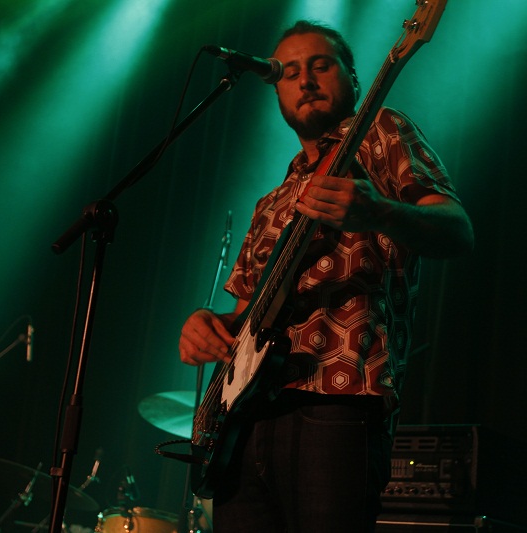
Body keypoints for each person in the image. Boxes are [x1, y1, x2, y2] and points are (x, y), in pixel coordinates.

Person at [178, 20, 473, 532]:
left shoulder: (382, 130)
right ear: (277, 93)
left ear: (354, 79)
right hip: (245, 421)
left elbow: (457, 230)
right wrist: (211, 322)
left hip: (337, 399)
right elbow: (250, 318)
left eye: (320, 65)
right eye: (288, 73)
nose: (305, 80)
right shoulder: (270, 202)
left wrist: (378, 211)